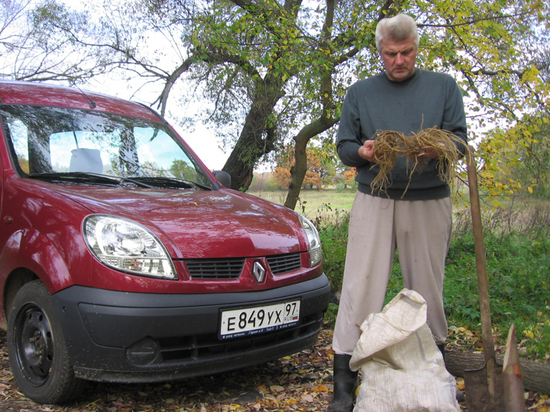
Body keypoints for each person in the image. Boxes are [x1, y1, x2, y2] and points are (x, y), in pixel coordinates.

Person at [328, 14, 467, 412]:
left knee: (427, 290)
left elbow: (460, 141)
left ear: (416, 50)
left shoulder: (444, 87)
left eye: (406, 53)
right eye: (391, 54)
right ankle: (343, 387)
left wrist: (440, 148)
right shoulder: (360, 93)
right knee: (360, 286)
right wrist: (363, 153)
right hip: (376, 196)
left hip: (428, 199)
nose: (399, 61)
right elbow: (344, 147)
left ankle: (435, 377)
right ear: (380, 52)